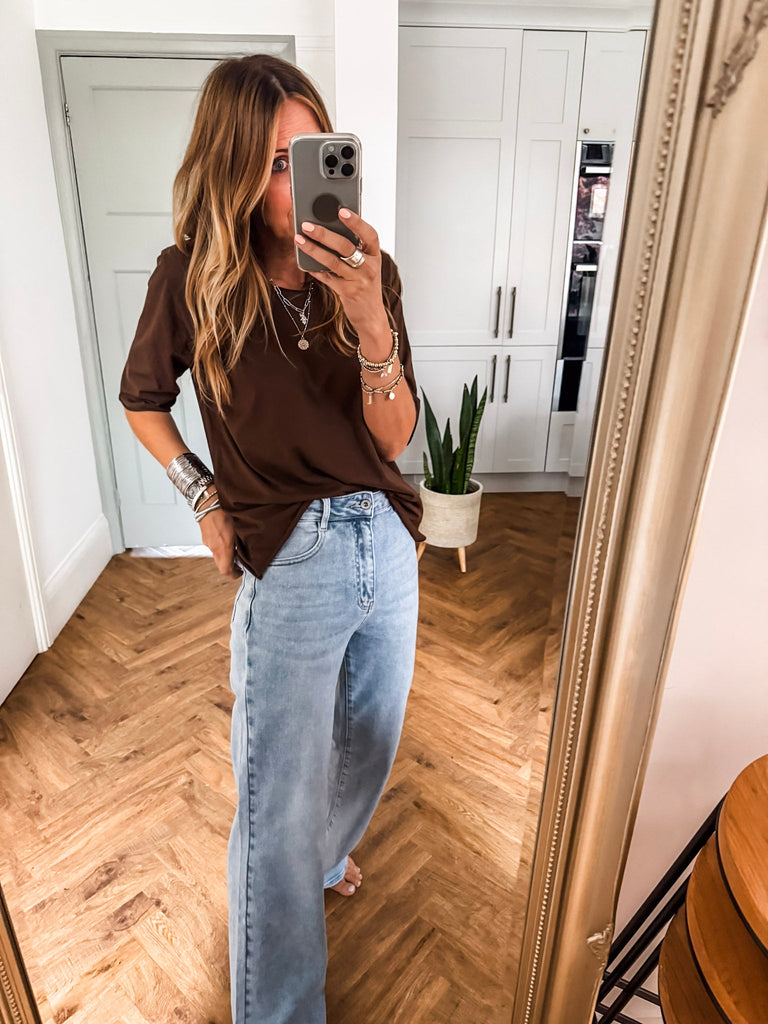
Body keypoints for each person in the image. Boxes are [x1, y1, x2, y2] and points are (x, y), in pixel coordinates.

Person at [118, 53, 425, 1024]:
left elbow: (397, 438)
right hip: (291, 554)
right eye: (276, 162)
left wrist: (370, 320)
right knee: (277, 806)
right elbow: (143, 400)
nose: (298, 181)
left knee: (369, 747)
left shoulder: (371, 274)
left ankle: (324, 861)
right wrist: (205, 501)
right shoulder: (190, 279)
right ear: (236, 169)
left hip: (385, 539)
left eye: (312, 154)